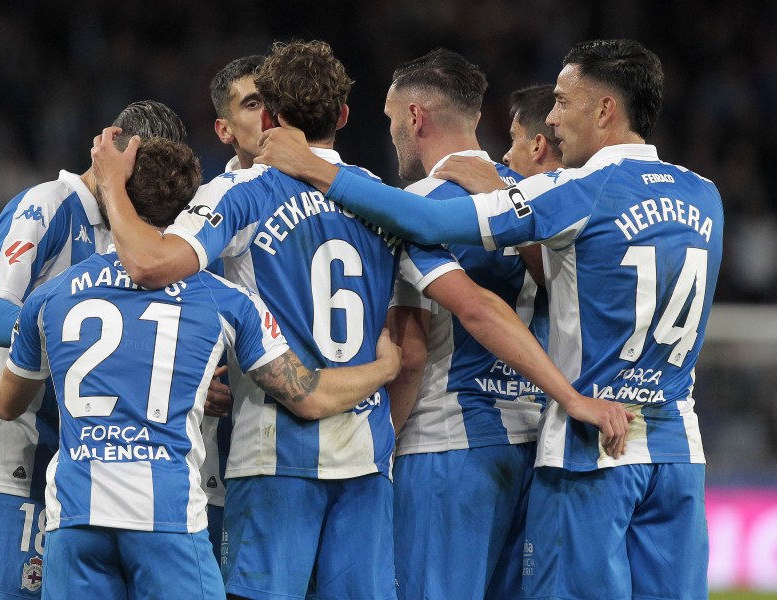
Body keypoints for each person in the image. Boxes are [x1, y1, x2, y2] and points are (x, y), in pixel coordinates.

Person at [93, 40, 632, 600]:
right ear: (345, 115)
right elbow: (476, 307)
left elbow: (150, 265)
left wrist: (110, 181)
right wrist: (570, 397)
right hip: (366, 463)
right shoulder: (381, 203)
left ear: (271, 118)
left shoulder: (238, 192)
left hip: (275, 458)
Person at [256, 39, 721, 600]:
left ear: (604, 110)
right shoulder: (706, 195)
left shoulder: (575, 191)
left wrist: (310, 166)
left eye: (564, 101)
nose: (550, 117)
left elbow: (427, 224)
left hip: (575, 444)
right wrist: (510, 190)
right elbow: (577, 280)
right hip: (674, 447)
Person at [0, 136, 404, 599]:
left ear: (116, 197)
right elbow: (310, 395)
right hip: (167, 518)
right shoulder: (227, 300)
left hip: (75, 518)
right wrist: (384, 368)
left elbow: (6, 402)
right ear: (188, 210)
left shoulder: (50, 299)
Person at [0, 100, 188, 600]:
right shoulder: (48, 204)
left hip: (78, 469)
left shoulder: (137, 231)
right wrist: (82, 345)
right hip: (6, 459)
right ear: (111, 148)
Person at [381, 49, 546, 600]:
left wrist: (381, 450)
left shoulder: (418, 205)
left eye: (390, 119)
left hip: (444, 446)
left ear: (414, 117)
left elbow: (410, 351)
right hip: (532, 445)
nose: (392, 134)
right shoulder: (532, 201)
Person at [201, 54, 266, 565]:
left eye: (273, 101)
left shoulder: (337, 189)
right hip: (231, 442)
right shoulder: (204, 207)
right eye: (252, 103)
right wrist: (194, 384)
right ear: (224, 129)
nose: (268, 114)